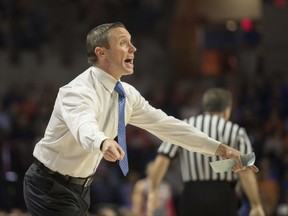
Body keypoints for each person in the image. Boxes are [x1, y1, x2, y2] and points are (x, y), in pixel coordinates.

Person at [23, 22, 258, 216]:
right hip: (48, 185)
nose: (133, 49)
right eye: (124, 43)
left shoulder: (127, 95)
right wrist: (102, 142)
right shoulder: (77, 91)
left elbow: (169, 127)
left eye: (132, 42)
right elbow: (83, 124)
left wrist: (221, 149)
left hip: (81, 187)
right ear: (101, 52)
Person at [148, 88, 265, 216]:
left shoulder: (185, 126)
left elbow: (163, 158)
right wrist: (256, 204)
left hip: (192, 196)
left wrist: (153, 190)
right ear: (227, 110)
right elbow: (247, 170)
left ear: (205, 107)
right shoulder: (236, 131)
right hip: (224, 196)